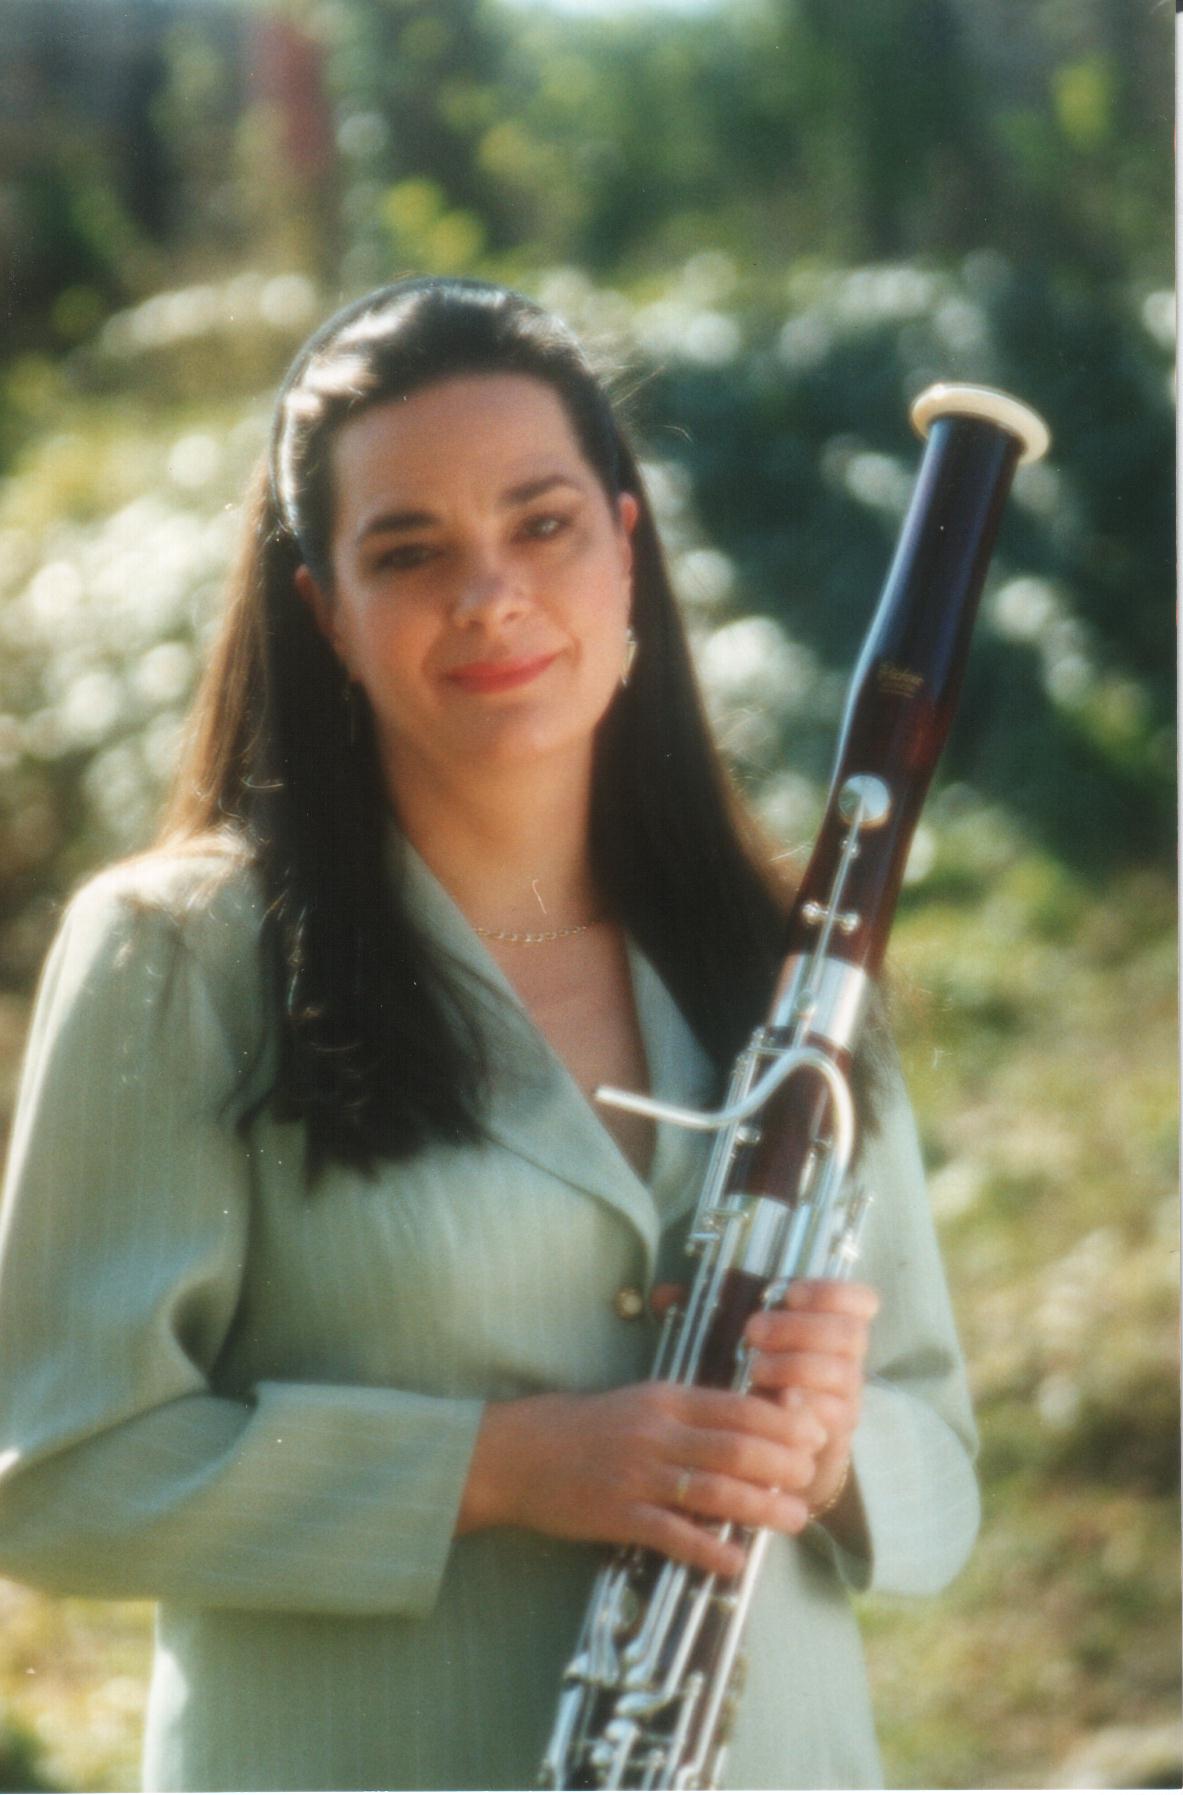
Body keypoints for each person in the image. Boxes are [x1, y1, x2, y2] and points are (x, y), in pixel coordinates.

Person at [0, 277, 978, 1792]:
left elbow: (943, 1471)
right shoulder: (180, 955)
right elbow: (56, 1477)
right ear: (323, 611)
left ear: (626, 548)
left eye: (544, 524)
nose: (491, 594)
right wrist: (504, 1468)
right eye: (409, 551)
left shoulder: (784, 961)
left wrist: (831, 1445)